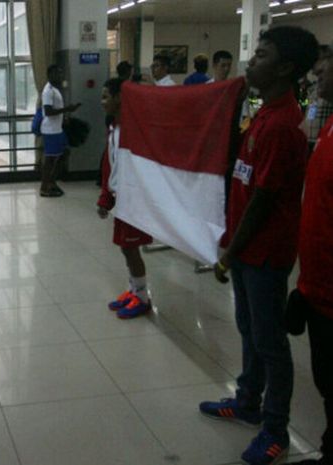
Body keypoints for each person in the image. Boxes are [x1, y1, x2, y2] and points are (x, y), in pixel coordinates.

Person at [199, 26, 319, 465]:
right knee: (249, 328)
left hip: (264, 254)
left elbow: (264, 201)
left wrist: (230, 252)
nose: (251, 61)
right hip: (247, 251)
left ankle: (275, 430)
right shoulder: (263, 114)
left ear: (286, 67)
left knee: (271, 344)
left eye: (262, 55)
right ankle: (247, 400)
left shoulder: (283, 125)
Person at [288, 42, 333, 465]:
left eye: (327, 64)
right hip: (317, 288)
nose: (318, 70)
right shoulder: (330, 125)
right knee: (326, 381)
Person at [97, 78, 153, 319]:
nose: (102, 102)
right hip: (121, 199)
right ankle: (133, 289)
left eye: (106, 97)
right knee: (125, 248)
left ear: (120, 97)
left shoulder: (133, 130)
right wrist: (105, 199)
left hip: (133, 201)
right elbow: (111, 167)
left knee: (131, 248)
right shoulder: (114, 129)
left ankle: (142, 297)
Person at [39, 64, 80, 197]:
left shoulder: (55, 89)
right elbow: (48, 111)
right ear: (50, 74)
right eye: (58, 73)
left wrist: (64, 118)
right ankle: (45, 187)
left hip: (57, 129)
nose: (61, 75)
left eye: (61, 73)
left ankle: (52, 182)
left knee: (64, 153)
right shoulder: (48, 91)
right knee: (50, 160)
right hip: (50, 131)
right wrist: (67, 109)